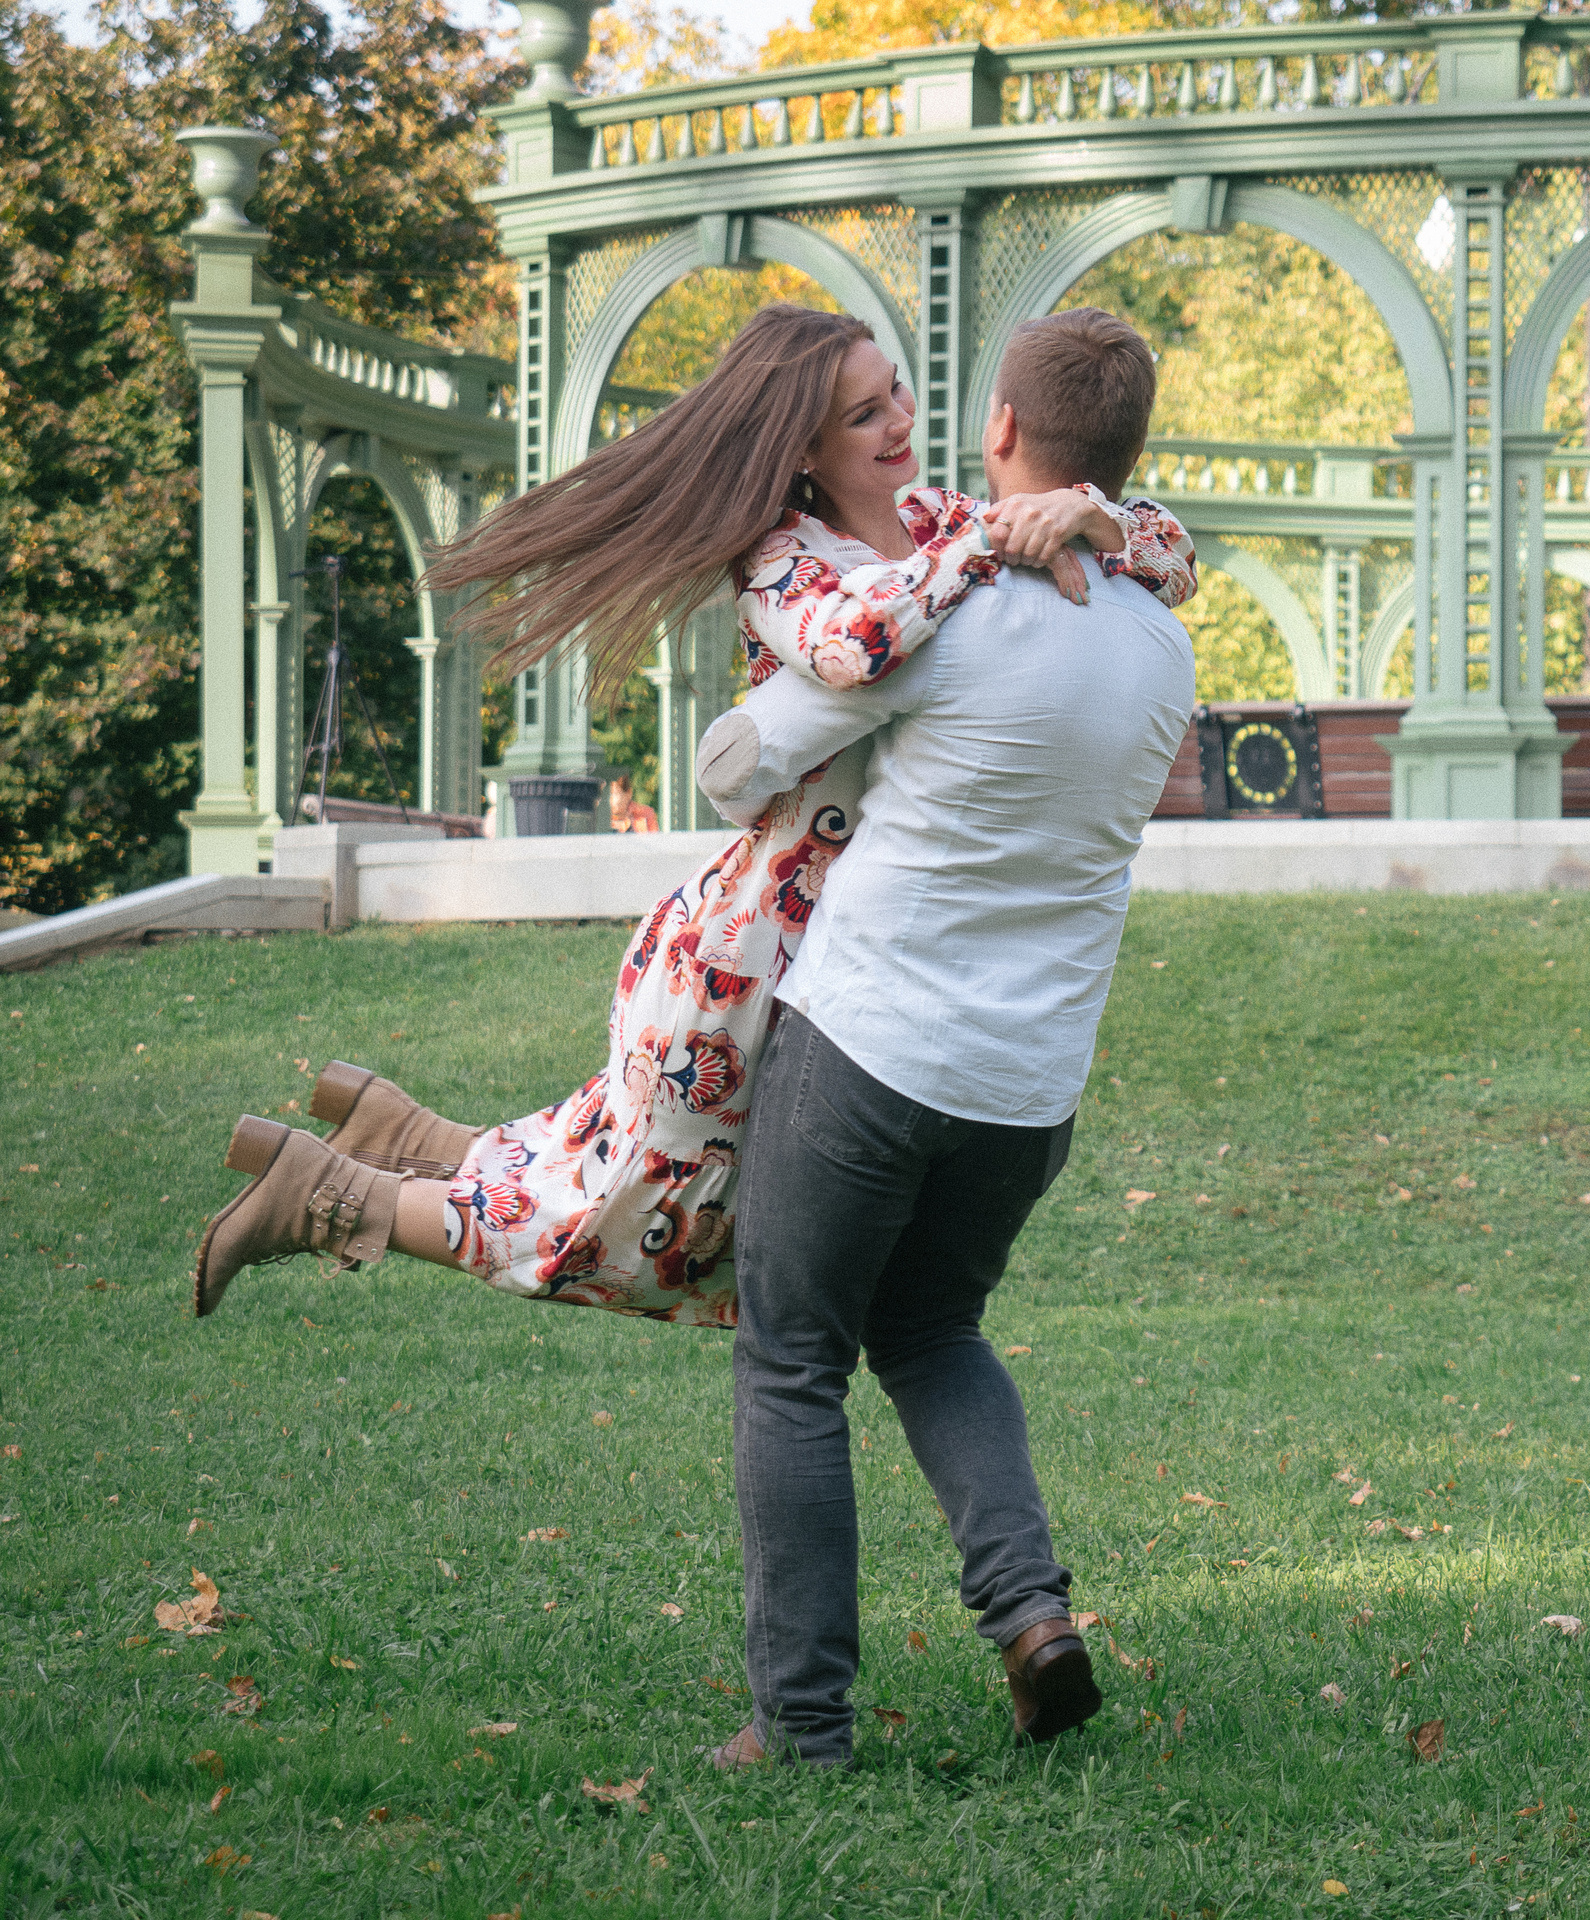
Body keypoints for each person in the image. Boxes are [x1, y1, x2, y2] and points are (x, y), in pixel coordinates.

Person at [190, 300, 1192, 1756]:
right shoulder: (1134, 640)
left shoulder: (951, 576)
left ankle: (359, 1184)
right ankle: (1031, 1614)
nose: (897, 427)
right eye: (863, 409)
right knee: (885, 1308)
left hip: (859, 1028)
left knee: (765, 1331)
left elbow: (745, 754)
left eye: (902, 398)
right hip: (936, 1046)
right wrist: (1027, 539)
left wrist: (1015, 546)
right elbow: (793, 715)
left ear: (999, 430)